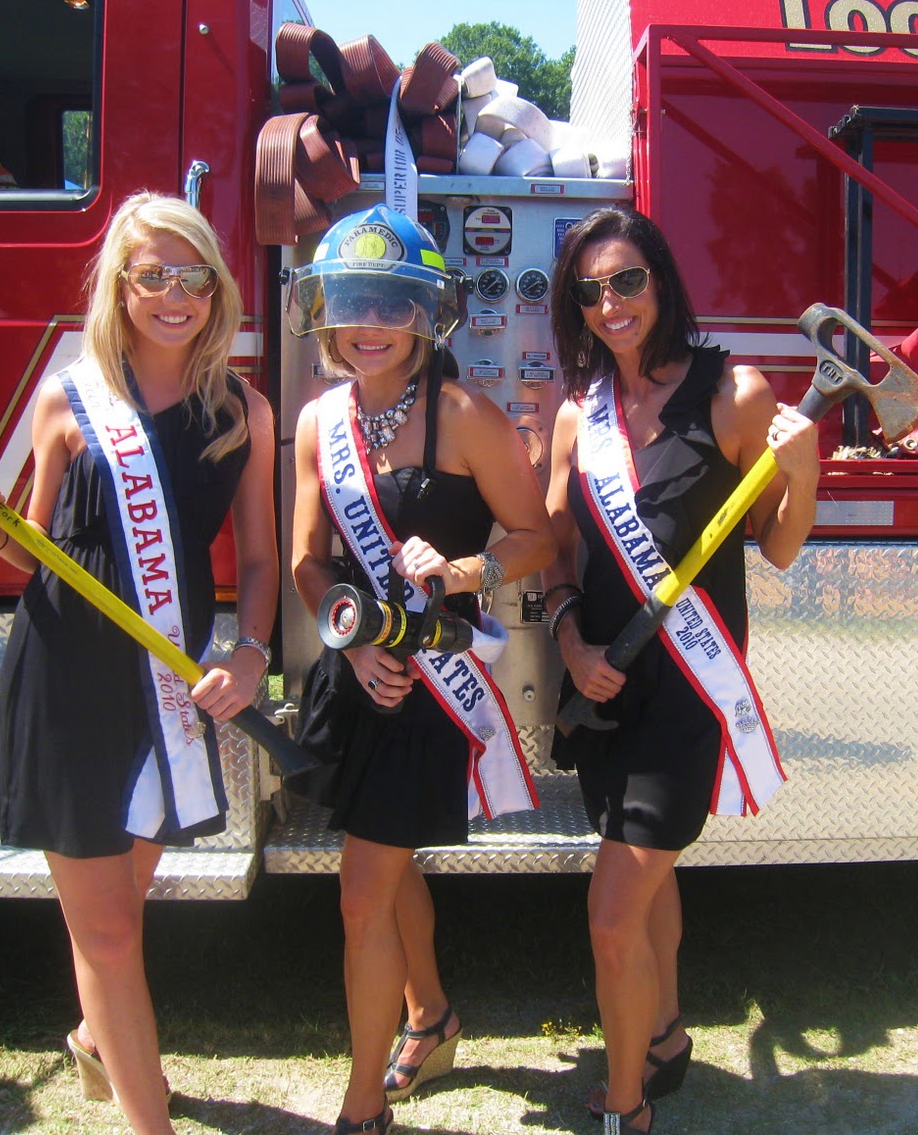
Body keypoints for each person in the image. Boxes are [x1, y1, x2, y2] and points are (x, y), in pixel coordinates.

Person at [0, 192, 278, 1135]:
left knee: (123, 899)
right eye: (153, 276)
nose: (176, 296)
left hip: (168, 683)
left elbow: (259, 560)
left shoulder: (243, 411)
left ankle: (99, 1039)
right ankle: (146, 1118)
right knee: (109, 928)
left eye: (194, 277)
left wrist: (251, 656)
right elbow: (32, 547)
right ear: (120, 288)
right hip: (68, 678)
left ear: (217, 289)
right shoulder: (67, 395)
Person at [541, 206, 821, 1134]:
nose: (611, 304)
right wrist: (571, 643)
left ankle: (627, 1107)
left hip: (687, 695)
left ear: (660, 280)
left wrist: (805, 471)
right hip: (604, 685)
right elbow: (556, 545)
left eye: (627, 280)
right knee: (649, 888)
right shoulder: (578, 413)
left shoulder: (733, 393)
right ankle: (663, 1038)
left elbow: (778, 546)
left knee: (612, 915)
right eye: (591, 291)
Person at [288, 205, 554, 1135]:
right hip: (357, 673)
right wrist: (352, 643)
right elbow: (307, 562)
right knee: (386, 869)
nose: (369, 325)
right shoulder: (319, 420)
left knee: (362, 893)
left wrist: (468, 571)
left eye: (391, 304)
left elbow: (537, 537)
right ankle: (431, 1015)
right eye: (352, 302)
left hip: (429, 683)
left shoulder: (466, 417)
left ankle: (363, 1107)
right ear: (324, 311)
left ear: (424, 314)